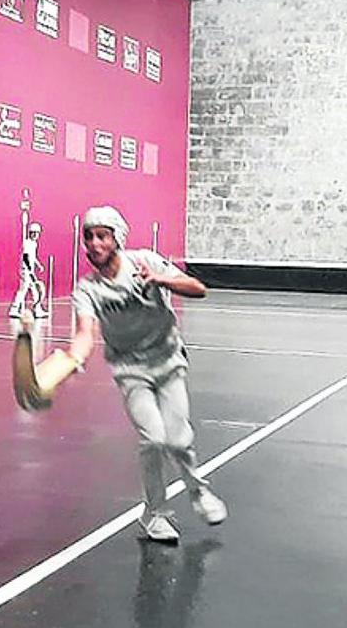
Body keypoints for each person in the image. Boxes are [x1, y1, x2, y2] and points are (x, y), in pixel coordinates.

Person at [62, 206, 226, 543]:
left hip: (168, 362)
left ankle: (198, 491)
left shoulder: (144, 262)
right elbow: (84, 333)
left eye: (102, 236)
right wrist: (72, 359)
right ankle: (154, 515)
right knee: (153, 440)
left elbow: (198, 288)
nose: (94, 244)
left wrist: (163, 280)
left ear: (117, 238)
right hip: (130, 370)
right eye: (88, 237)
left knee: (179, 441)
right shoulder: (87, 289)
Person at [8, 222, 49, 319]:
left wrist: (39, 265)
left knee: (35, 290)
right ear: (30, 233)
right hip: (26, 271)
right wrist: (29, 269)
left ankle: (37, 310)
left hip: (30, 271)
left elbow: (33, 257)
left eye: (36, 233)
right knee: (23, 290)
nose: (34, 235)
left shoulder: (34, 244)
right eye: (33, 232)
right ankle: (14, 309)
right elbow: (25, 257)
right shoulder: (27, 243)